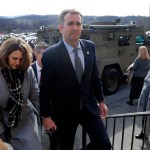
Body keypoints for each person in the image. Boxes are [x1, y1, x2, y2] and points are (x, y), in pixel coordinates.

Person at [39, 9, 111, 150]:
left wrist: (101, 101)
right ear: (61, 28)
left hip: (88, 107)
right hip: (63, 113)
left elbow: (94, 77)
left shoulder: (90, 47)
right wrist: (46, 117)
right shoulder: (50, 54)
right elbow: (45, 89)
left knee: (104, 144)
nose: (75, 27)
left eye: (78, 24)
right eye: (70, 23)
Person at [0, 37, 43, 150]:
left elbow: (36, 97)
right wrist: (1, 132)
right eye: (14, 58)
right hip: (4, 122)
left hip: (26, 119)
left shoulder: (27, 71)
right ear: (5, 56)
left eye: (21, 59)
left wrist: (42, 118)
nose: (18, 63)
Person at [135, 70, 150, 139]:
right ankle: (144, 133)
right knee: (145, 116)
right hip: (146, 97)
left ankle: (144, 133)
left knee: (147, 117)